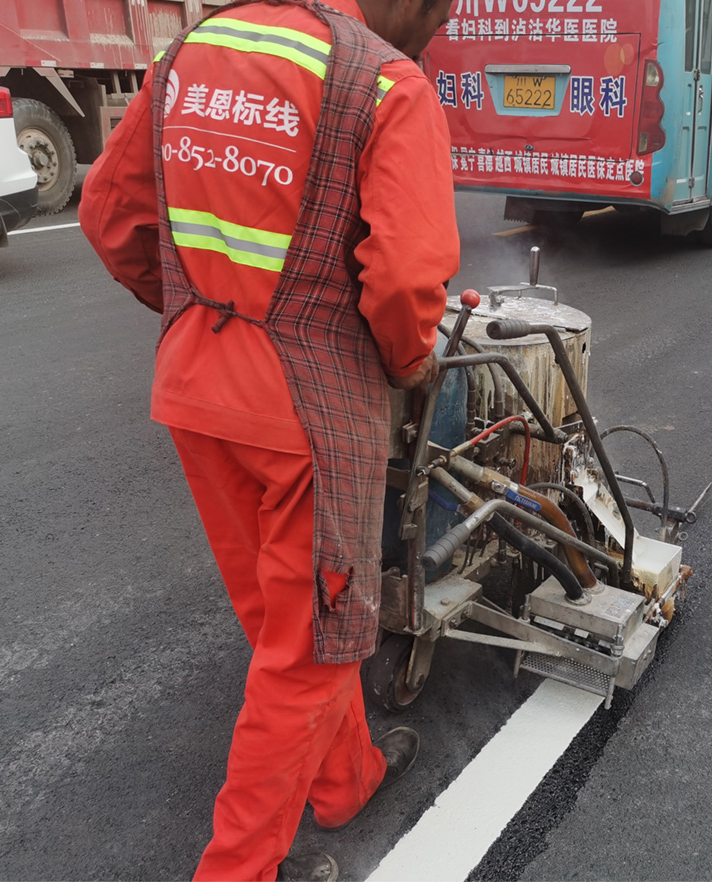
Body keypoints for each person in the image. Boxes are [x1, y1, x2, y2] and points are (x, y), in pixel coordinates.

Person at [79, 0, 458, 878]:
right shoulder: (384, 83)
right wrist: (406, 368)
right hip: (309, 417)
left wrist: (189, 318)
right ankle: (238, 869)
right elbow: (404, 281)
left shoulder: (189, 53)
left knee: (285, 619)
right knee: (309, 648)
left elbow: (110, 216)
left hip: (195, 388)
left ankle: (347, 777)